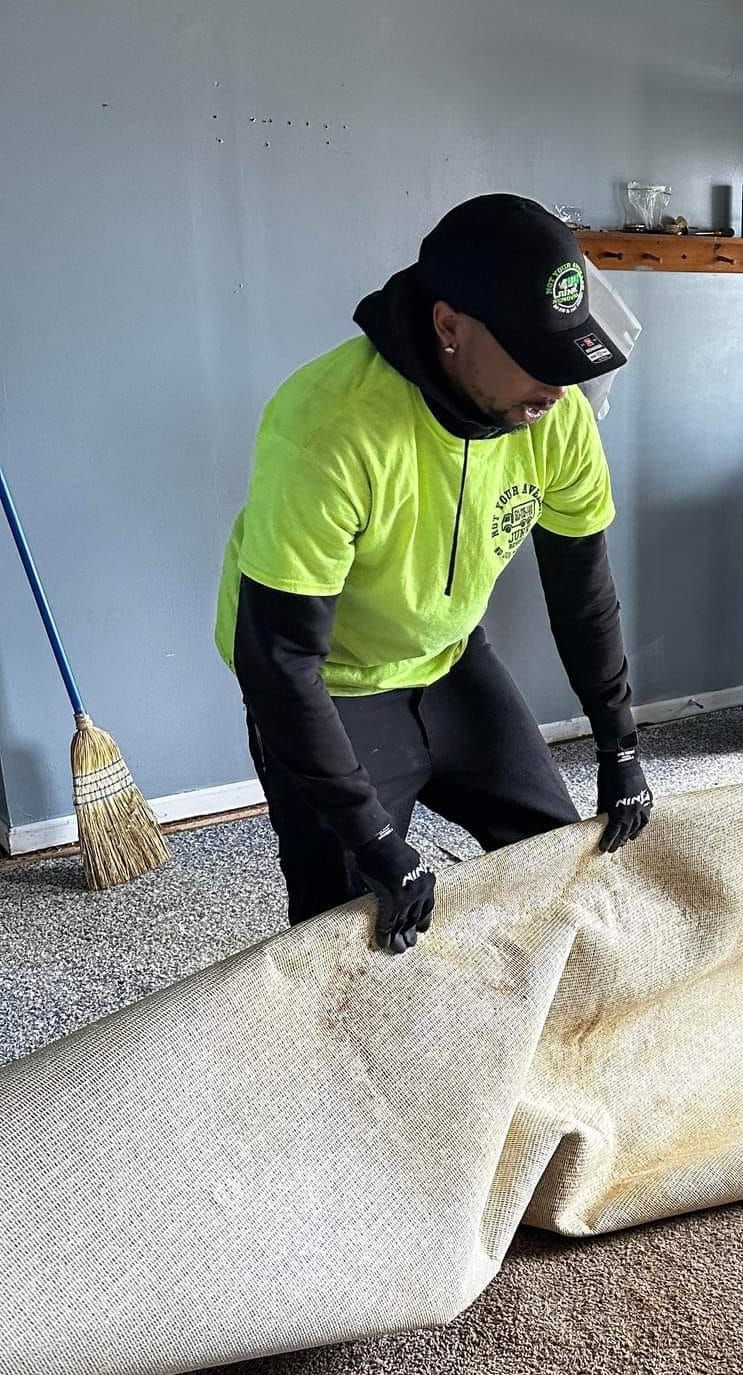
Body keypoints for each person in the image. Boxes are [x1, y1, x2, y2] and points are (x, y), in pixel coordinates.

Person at [215, 195, 653, 953]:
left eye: (565, 364)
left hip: (449, 659)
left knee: (557, 855)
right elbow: (280, 660)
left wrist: (620, 748)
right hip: (334, 685)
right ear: (450, 326)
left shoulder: (554, 412)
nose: (556, 395)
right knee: (345, 930)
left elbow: (584, 595)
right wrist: (372, 837)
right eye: (535, 363)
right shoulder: (330, 429)